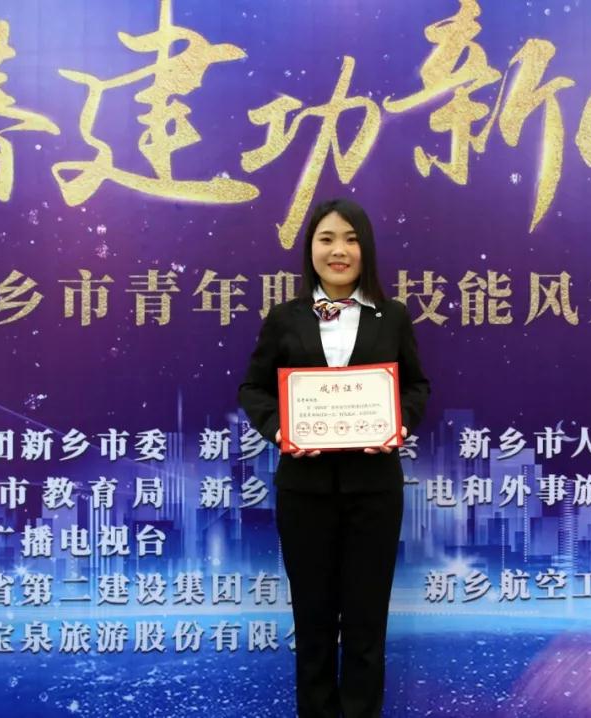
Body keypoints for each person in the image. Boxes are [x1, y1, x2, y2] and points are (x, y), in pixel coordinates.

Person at [238, 198, 431, 717]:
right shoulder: (285, 318)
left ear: (366, 250)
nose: (338, 250)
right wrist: (281, 429)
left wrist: (399, 424)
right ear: (310, 250)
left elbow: (416, 385)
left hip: (374, 491)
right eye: (326, 239)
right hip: (305, 492)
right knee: (314, 624)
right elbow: (254, 388)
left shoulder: (392, 315)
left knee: (367, 624)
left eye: (350, 239)